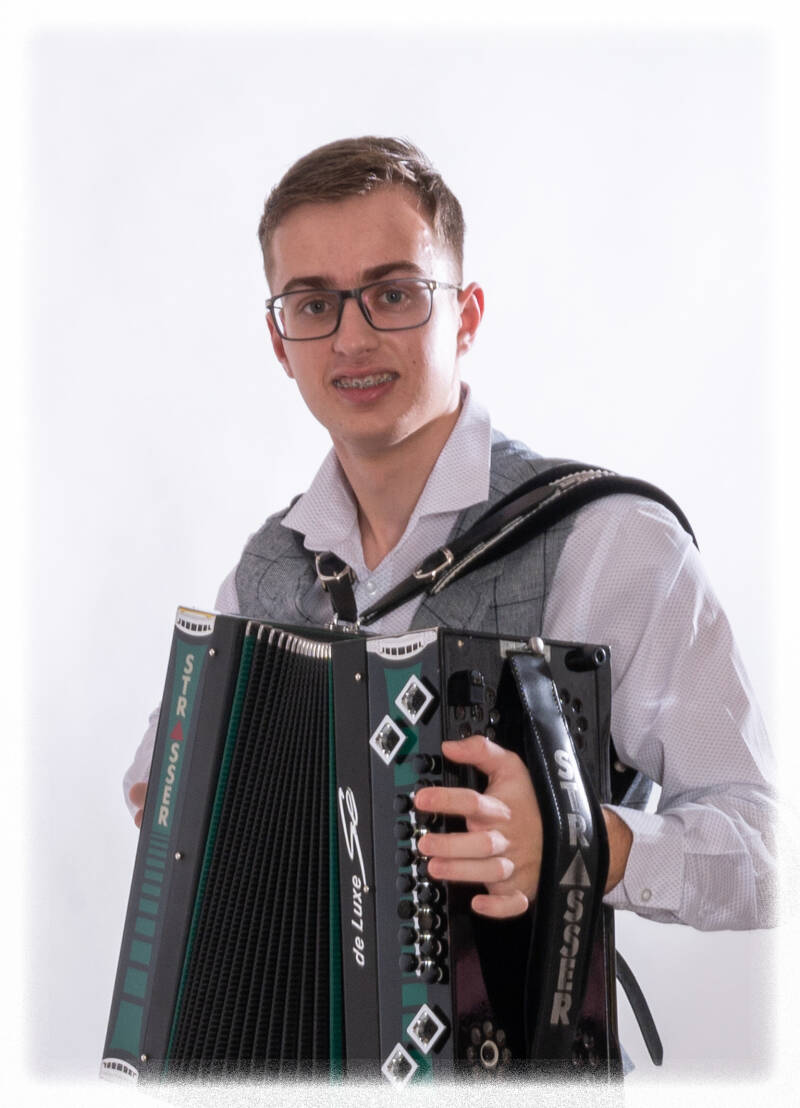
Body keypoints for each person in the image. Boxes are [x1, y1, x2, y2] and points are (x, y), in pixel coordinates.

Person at [124, 136, 776, 933]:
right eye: (314, 305)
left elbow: (767, 849)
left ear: (465, 317)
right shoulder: (267, 568)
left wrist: (585, 841)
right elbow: (159, 780)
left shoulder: (612, 544)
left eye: (393, 294)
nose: (351, 340)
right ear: (280, 343)